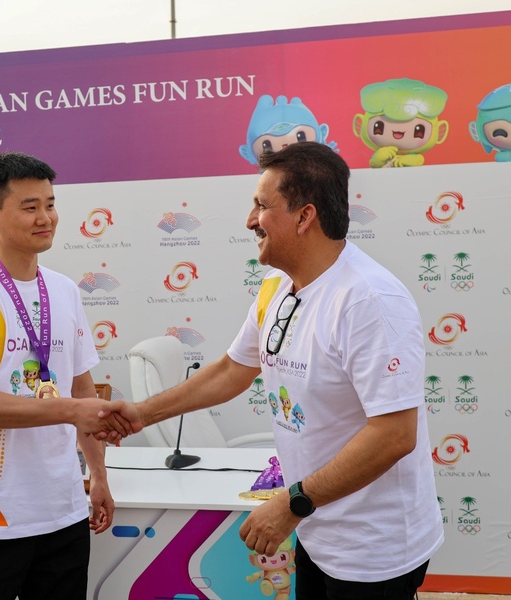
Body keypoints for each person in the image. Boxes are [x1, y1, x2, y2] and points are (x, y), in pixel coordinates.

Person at [100, 142, 443, 599]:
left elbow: (395, 434)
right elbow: (232, 370)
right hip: (317, 529)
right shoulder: (276, 285)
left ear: (304, 216)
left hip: (373, 550)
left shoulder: (370, 301)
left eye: (261, 206)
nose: (250, 220)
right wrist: (142, 414)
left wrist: (292, 503)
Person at [0, 151, 116, 600]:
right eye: (30, 207)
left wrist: (98, 474)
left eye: (50, 204)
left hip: (63, 512)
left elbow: (83, 388)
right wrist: (70, 410)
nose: (45, 218)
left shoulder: (65, 290)